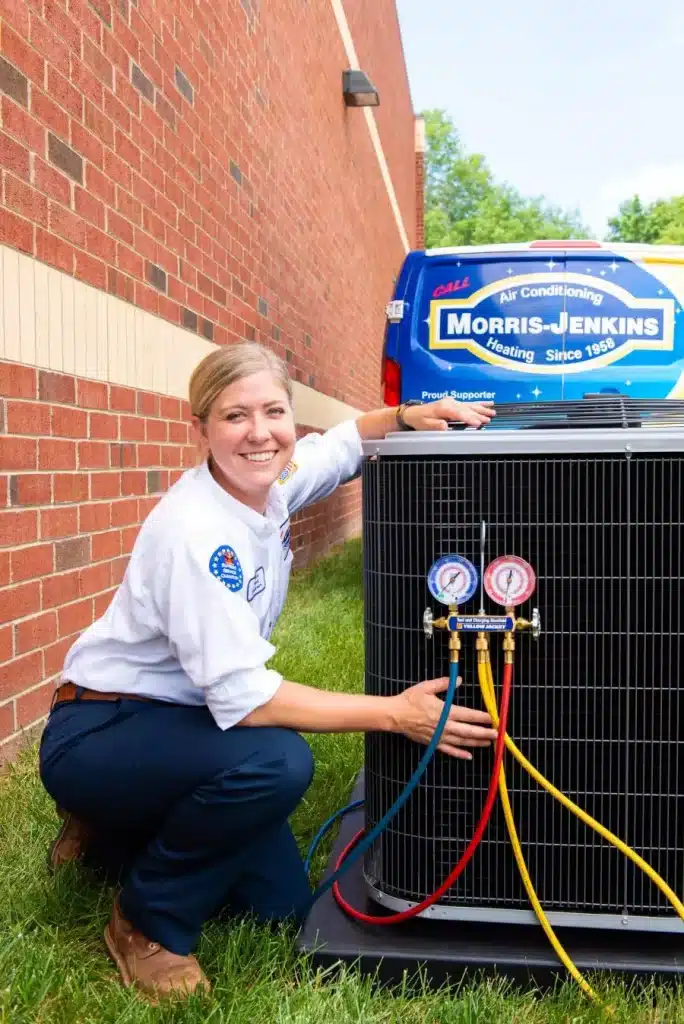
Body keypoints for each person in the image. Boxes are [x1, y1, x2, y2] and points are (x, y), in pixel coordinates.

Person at [38, 342, 497, 1000]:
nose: (260, 433)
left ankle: (114, 833)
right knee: (275, 764)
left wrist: (410, 412)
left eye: (274, 411)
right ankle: (147, 920)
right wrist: (398, 713)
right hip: (101, 726)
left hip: (180, 717)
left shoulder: (269, 483)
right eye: (235, 416)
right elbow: (249, 702)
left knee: (282, 907)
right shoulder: (194, 532)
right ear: (200, 427)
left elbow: (343, 441)